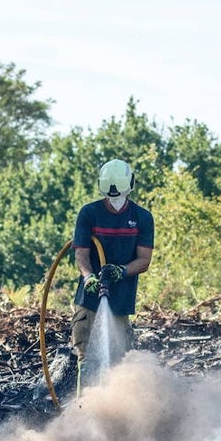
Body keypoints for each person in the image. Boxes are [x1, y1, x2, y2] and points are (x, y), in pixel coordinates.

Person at [71, 158, 154, 371]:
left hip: (121, 296)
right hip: (90, 295)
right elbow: (81, 254)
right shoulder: (89, 213)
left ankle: (118, 392)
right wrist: (88, 276)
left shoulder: (142, 218)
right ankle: (84, 390)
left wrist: (121, 271)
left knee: (120, 360)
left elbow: (144, 260)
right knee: (84, 356)